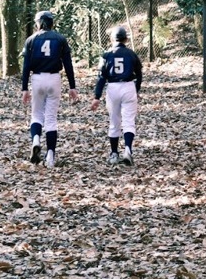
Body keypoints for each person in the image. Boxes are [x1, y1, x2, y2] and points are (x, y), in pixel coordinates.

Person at [21, 10, 78, 168]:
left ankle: (36, 140)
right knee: (51, 119)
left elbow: (26, 66)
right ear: (52, 22)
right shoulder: (60, 39)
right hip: (54, 78)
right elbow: (67, 63)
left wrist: (24, 88)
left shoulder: (31, 40)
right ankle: (50, 157)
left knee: (36, 115)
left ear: (38, 23)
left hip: (37, 78)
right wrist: (72, 86)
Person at [90, 25, 143, 165]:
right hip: (128, 86)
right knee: (129, 121)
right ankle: (128, 150)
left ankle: (114, 153)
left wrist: (97, 97)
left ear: (112, 39)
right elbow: (139, 74)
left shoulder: (106, 55)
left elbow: (101, 77)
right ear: (125, 39)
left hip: (113, 87)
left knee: (114, 122)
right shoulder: (131, 54)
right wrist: (136, 90)